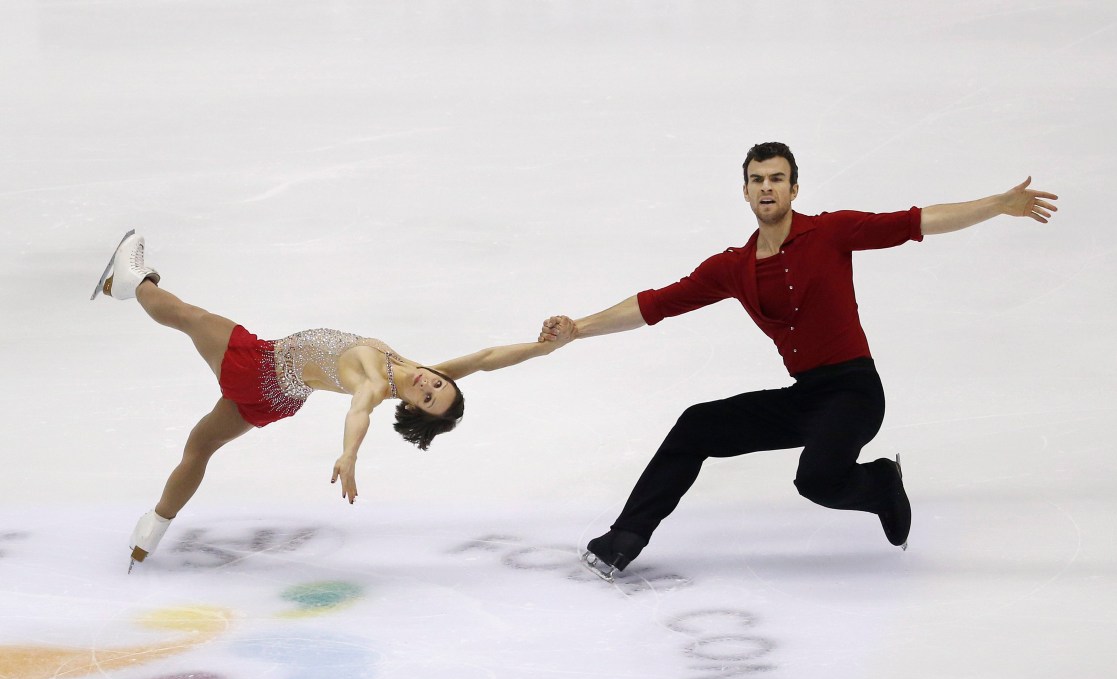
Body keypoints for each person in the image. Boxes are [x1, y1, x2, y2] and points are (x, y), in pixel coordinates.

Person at [539, 142, 1058, 580]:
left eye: (778, 179)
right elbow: (655, 304)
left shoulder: (831, 233)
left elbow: (915, 222)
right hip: (805, 395)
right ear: (745, 191)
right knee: (696, 426)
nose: (767, 188)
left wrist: (997, 203)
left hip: (854, 392)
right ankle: (623, 539)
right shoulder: (731, 267)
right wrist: (579, 328)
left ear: (794, 189)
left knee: (816, 481)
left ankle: (878, 482)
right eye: (757, 179)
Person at [92, 230, 574, 569]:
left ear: (411, 408)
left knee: (186, 316)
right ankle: (150, 534)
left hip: (259, 366)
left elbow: (359, 409)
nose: (430, 387)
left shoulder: (378, 383)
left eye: (427, 399)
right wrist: (546, 347)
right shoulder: (413, 369)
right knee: (199, 448)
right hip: (279, 397)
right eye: (438, 386)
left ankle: (135, 280)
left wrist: (349, 453)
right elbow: (488, 357)